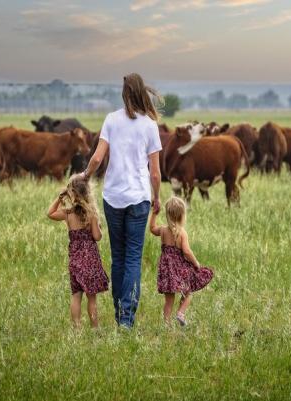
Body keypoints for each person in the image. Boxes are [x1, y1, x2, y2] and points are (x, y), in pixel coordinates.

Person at [79, 73, 162, 328]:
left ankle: (119, 311)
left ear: (124, 93)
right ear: (141, 93)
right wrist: (156, 198)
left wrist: (85, 176)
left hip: (113, 197)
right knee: (133, 258)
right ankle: (126, 319)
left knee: (118, 257)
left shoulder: (111, 120)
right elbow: (156, 172)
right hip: (139, 198)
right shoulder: (150, 124)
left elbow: (96, 158)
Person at [47, 175, 109, 329]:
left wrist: (60, 197)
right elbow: (97, 236)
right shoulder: (91, 214)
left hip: (75, 261)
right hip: (90, 261)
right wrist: (99, 228)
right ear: (87, 193)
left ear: (72, 194)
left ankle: (77, 329)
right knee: (91, 297)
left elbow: (50, 213)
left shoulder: (68, 214)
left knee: (76, 296)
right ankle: (95, 328)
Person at [149, 196, 213, 326]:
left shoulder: (163, 230)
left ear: (167, 214)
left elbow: (152, 228)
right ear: (182, 215)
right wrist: (196, 264)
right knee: (187, 292)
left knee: (169, 300)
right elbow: (187, 252)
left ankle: (166, 325)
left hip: (167, 270)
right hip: (180, 270)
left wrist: (154, 213)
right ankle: (181, 313)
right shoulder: (182, 233)